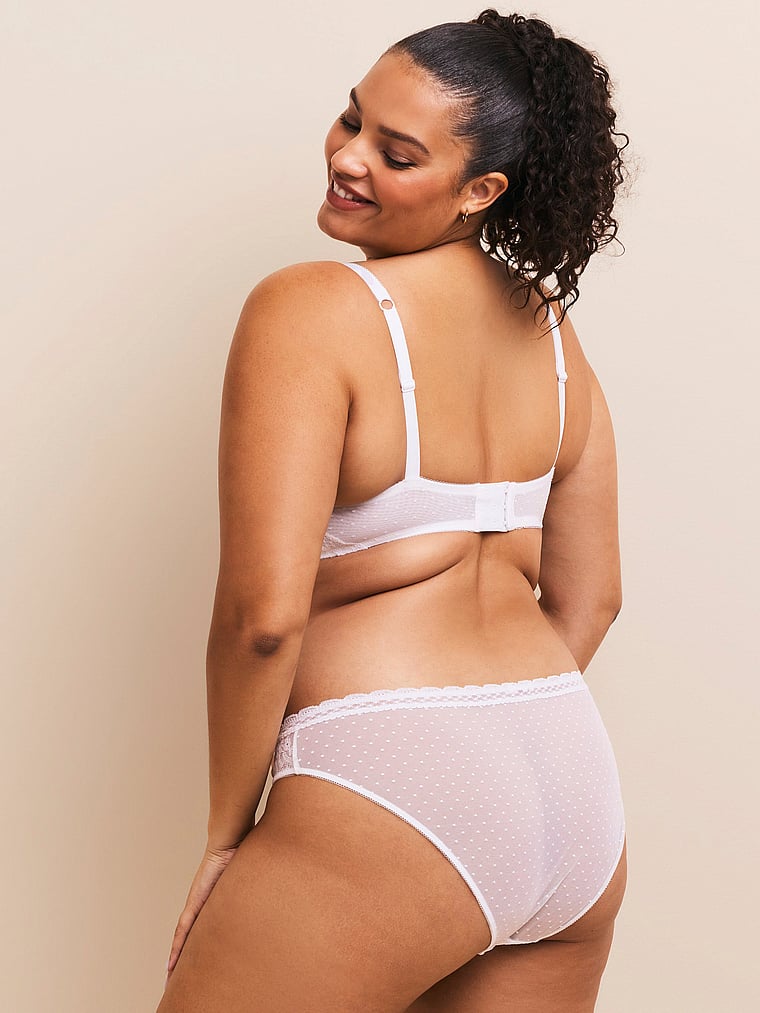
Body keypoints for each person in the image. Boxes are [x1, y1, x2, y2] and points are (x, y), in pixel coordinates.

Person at [158, 9, 630, 1012]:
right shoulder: (553, 335)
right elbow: (592, 599)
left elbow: (262, 620)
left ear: (481, 190)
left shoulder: (312, 307)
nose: (348, 157)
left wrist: (227, 833)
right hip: (571, 783)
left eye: (396, 153)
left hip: (387, 780)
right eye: (351, 119)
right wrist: (493, 749)